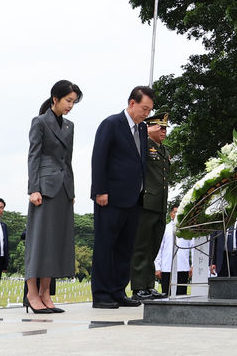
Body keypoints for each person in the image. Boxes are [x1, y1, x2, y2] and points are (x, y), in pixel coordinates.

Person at [90, 84, 154, 309]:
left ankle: (118, 291)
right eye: (143, 109)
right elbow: (99, 158)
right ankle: (101, 294)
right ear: (132, 103)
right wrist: (100, 190)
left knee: (125, 248)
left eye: (149, 111)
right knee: (106, 246)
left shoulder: (143, 129)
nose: (146, 114)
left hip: (134, 198)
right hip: (110, 197)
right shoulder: (111, 124)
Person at [24, 80, 82, 314]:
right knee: (39, 241)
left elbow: (67, 161)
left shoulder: (70, 126)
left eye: (74, 102)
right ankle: (31, 293)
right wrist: (33, 189)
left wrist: (72, 191)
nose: (71, 106)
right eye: (68, 101)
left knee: (55, 242)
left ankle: (46, 293)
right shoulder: (39, 122)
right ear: (54, 98)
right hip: (44, 188)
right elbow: (33, 156)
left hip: (64, 189)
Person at [130, 110, 171, 300]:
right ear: (148, 127)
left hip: (160, 204)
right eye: (159, 127)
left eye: (165, 128)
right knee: (141, 246)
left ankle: (148, 285)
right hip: (146, 202)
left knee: (153, 247)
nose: (163, 131)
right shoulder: (143, 145)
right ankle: (138, 287)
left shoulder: (163, 150)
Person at [155, 206, 192, 296]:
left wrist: (193, 265)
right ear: (171, 214)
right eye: (175, 212)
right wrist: (157, 267)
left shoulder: (188, 229)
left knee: (182, 295)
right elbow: (159, 248)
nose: (177, 214)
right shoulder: (165, 228)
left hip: (182, 267)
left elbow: (193, 247)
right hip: (167, 267)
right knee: (166, 294)